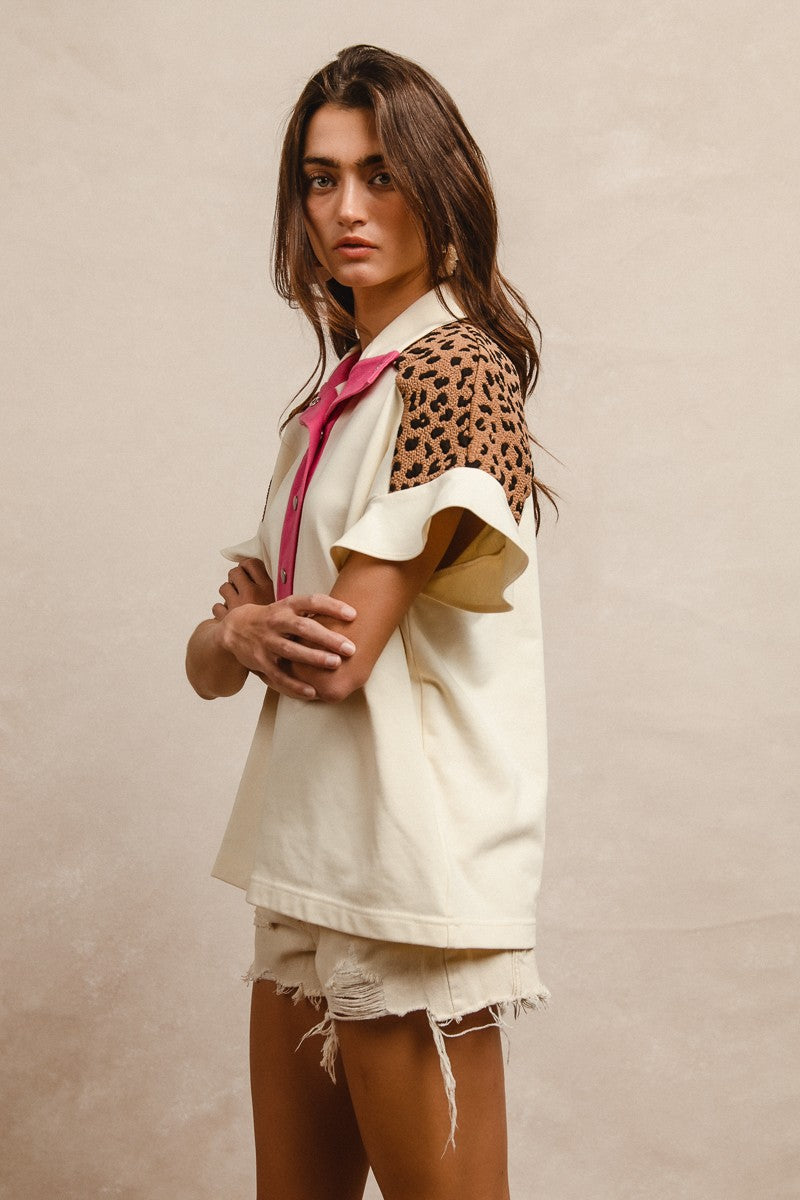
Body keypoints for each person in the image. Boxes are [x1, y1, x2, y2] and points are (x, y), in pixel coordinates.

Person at [185, 43, 558, 1200]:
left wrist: (256, 631)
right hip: (308, 856)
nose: (346, 208)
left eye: (380, 175)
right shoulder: (332, 400)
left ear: (438, 188)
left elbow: (331, 657)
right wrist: (240, 634)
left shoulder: (457, 370)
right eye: (320, 177)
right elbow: (215, 657)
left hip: (407, 872)